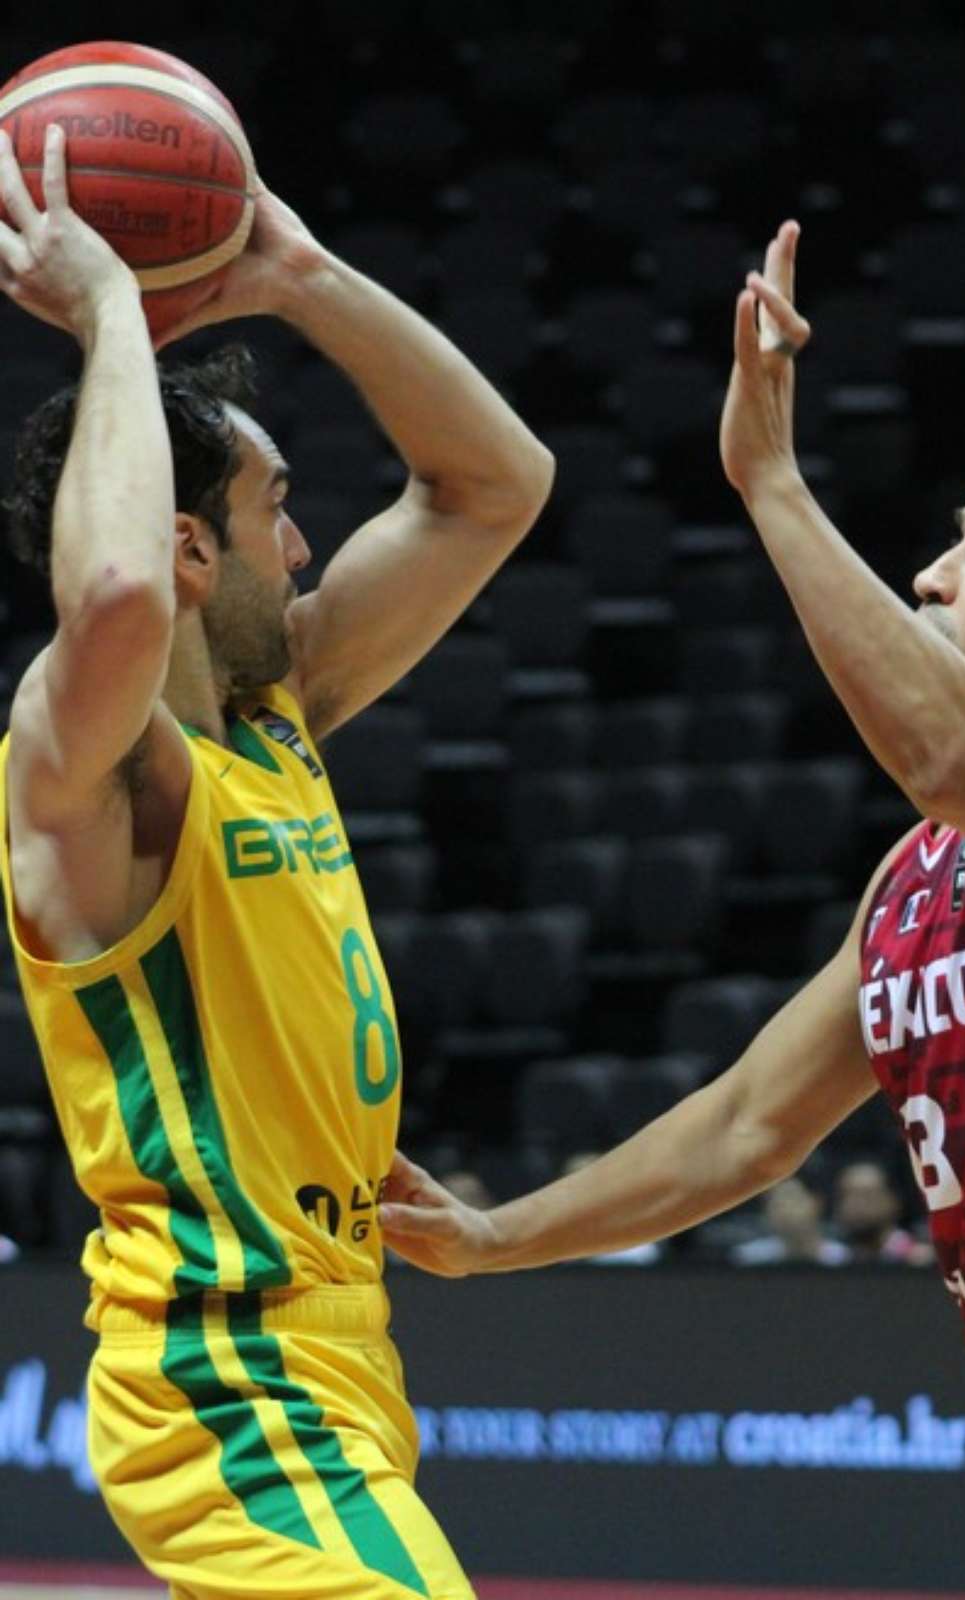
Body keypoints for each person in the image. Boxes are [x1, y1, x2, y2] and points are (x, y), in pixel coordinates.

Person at [382, 220, 965, 1599]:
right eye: (951, 545)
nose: (935, 575)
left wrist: (770, 480)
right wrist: (494, 1239)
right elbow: (752, 1123)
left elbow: (950, 752)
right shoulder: (920, 873)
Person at [0, 126, 552, 1600]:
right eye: (276, 512)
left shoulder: (272, 714)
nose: (305, 549)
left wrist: (303, 278)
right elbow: (110, 593)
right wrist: (110, 309)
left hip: (337, 1344)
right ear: (192, 551)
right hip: (225, 1373)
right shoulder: (83, 766)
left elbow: (494, 485)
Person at [828, 1156, 933, 1266]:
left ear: (894, 1201)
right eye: (847, 1196)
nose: (857, 1205)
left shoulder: (919, 1259)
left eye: (867, 1196)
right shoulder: (829, 1258)